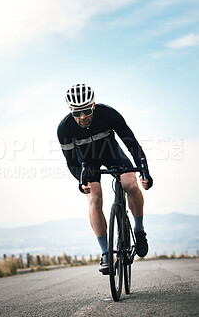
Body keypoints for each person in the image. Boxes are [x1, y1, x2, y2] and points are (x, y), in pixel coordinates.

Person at [57, 84, 153, 274]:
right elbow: (71, 162)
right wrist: (81, 180)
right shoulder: (64, 129)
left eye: (86, 111)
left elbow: (131, 143)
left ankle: (139, 231)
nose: (82, 117)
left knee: (131, 185)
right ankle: (105, 253)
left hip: (112, 155)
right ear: (70, 110)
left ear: (93, 105)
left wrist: (144, 169)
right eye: (77, 113)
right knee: (94, 199)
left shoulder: (109, 114)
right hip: (87, 163)